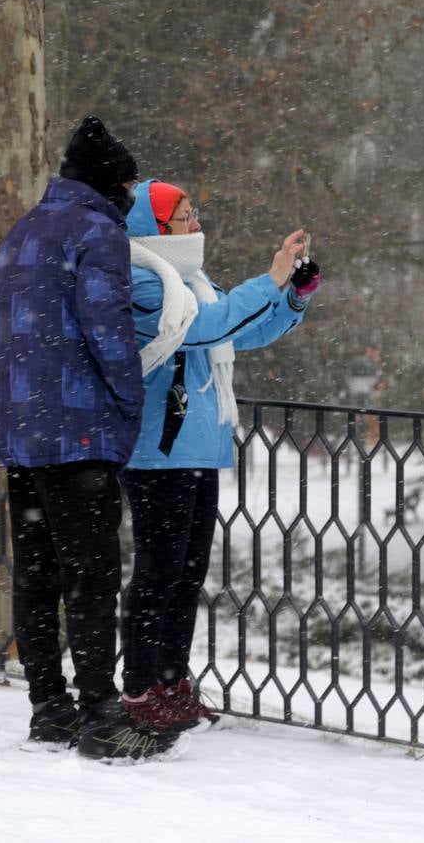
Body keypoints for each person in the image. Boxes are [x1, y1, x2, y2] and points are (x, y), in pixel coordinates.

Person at [0, 118, 188, 762]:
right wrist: (126, 404)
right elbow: (109, 333)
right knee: (93, 574)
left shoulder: (21, 232)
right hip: (81, 434)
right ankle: (102, 715)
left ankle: (50, 710)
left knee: (37, 574)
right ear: (112, 182)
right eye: (127, 182)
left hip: (22, 433)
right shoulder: (98, 233)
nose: (130, 194)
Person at [118, 180, 321, 731]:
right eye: (183, 217)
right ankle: (139, 690)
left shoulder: (192, 282)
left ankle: (170, 679)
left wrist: (292, 297)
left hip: (198, 447)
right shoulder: (141, 280)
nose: (195, 224)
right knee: (157, 574)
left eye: (193, 213)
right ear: (153, 227)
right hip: (156, 451)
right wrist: (272, 276)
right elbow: (209, 328)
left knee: (186, 574)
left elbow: (239, 332)